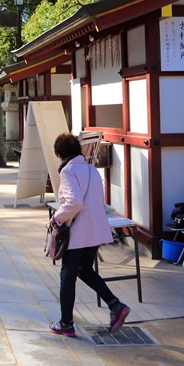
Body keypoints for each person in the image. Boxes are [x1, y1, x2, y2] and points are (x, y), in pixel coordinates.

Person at [48, 132, 130, 337]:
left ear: (59, 153)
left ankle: (66, 323)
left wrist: (57, 218)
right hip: (96, 229)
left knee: (68, 275)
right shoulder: (91, 169)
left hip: (78, 232)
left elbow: (74, 202)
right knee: (84, 269)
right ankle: (115, 305)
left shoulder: (68, 171)